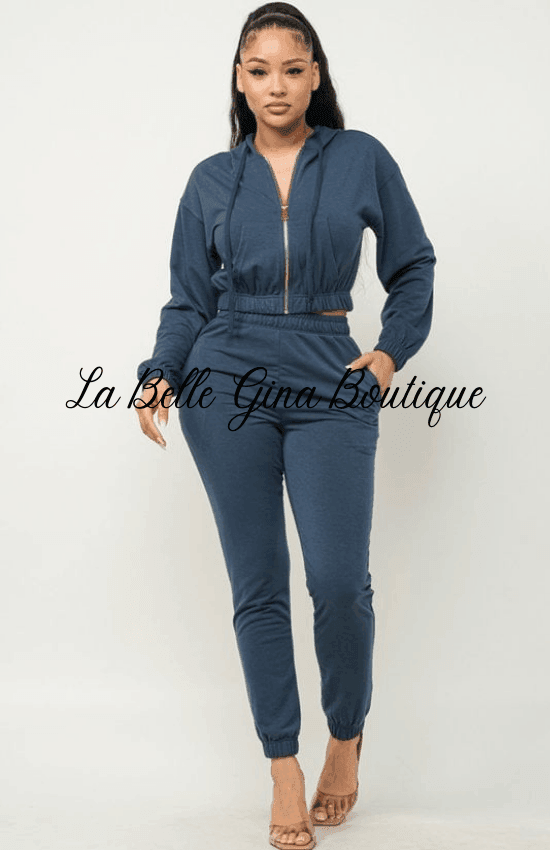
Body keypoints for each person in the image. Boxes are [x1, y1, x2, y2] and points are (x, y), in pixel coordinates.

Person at [135, 4, 436, 848]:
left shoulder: (360, 158)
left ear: (315, 75)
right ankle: (283, 765)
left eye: (293, 69)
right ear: (240, 78)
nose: (277, 86)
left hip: (329, 373)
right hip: (223, 377)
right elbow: (188, 298)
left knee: (338, 583)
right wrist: (160, 371)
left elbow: (413, 266)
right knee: (258, 583)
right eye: (260, 69)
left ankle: (345, 734)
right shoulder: (211, 179)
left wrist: (387, 356)